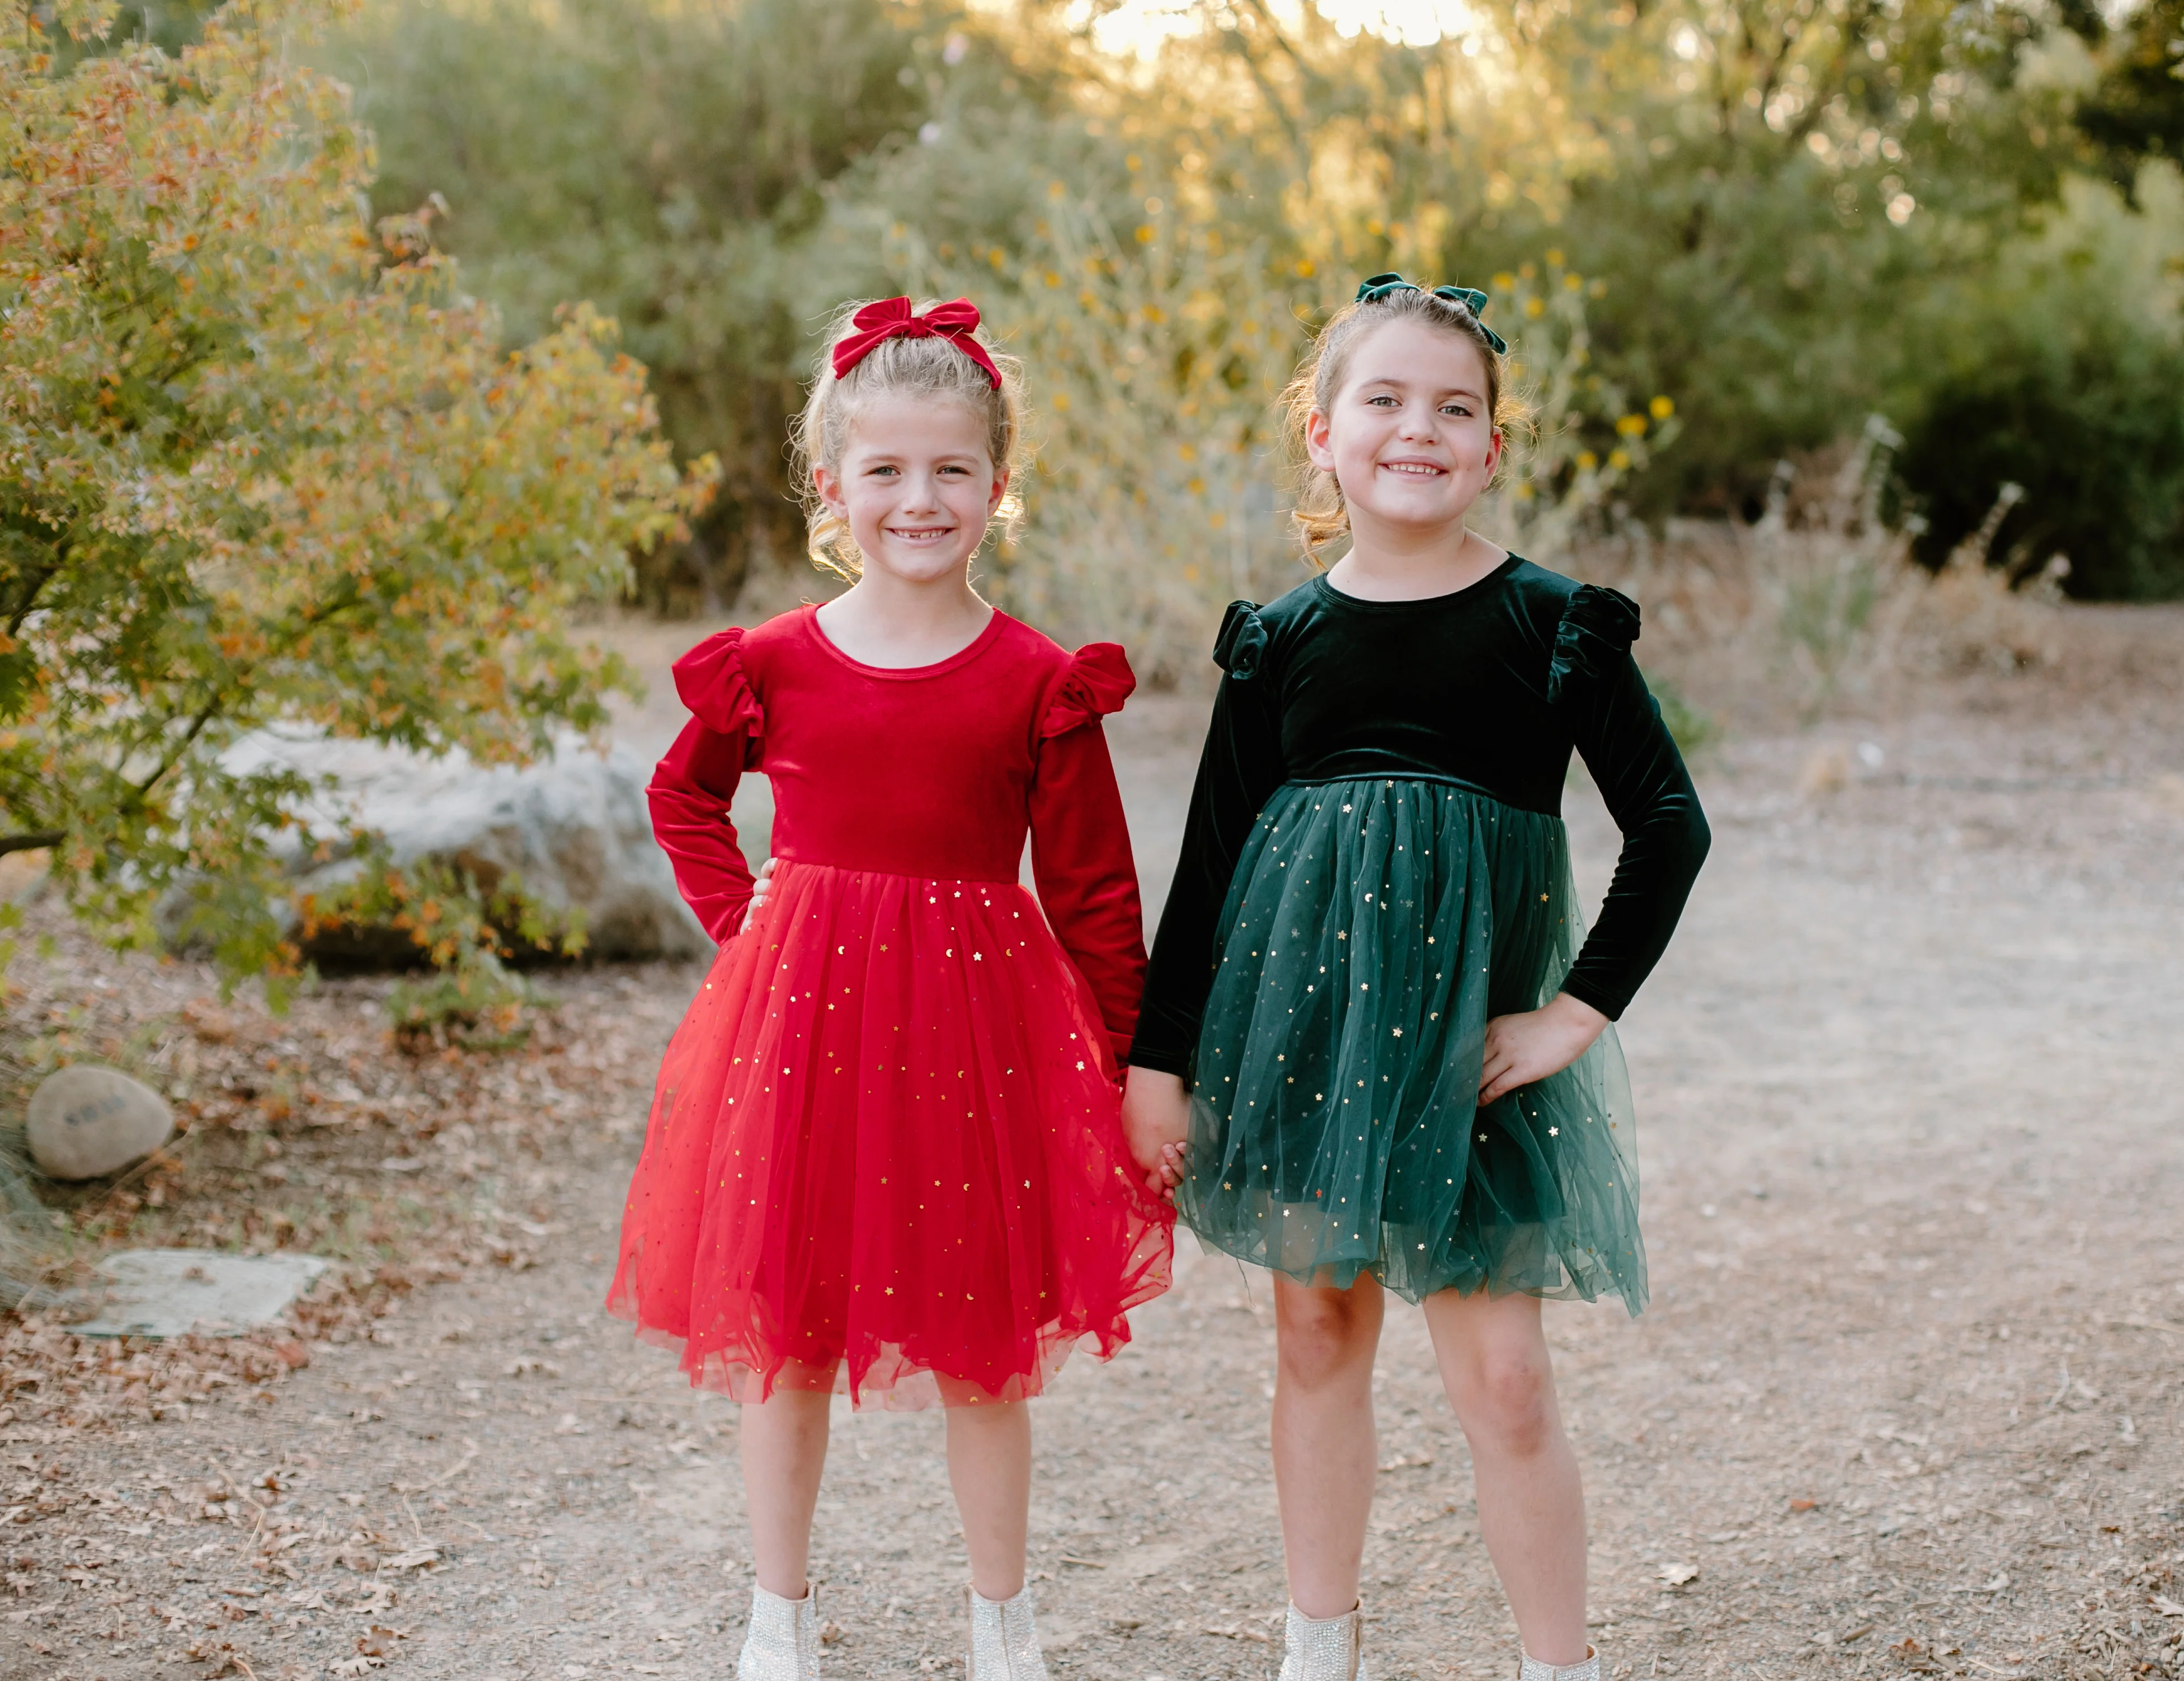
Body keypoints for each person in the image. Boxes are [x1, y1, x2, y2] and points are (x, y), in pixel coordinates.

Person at [1121, 274, 1712, 1681]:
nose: (1417, 430)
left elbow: (1670, 825)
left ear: (1494, 448)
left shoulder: (1550, 628)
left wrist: (1577, 1010)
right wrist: (1160, 1064)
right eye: (1382, 401)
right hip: (1303, 1039)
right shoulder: (1277, 644)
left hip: (1473, 1057)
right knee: (1319, 1332)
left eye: (1455, 409)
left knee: (1505, 1383)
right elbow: (1209, 873)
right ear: (1322, 435)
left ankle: (1554, 1666)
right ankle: (1318, 1649)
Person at [609, 297, 1173, 1681]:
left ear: (997, 482)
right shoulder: (776, 664)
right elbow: (682, 794)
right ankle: (777, 1617)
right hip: (799, 1023)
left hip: (978, 1038)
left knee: (984, 1345)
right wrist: (741, 918)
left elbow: (1097, 894)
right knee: (784, 1333)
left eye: (951, 471)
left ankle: (1002, 1623)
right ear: (831, 485)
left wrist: (1125, 1064)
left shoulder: (1040, 682)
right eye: (887, 471)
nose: (919, 500)